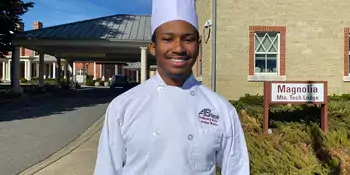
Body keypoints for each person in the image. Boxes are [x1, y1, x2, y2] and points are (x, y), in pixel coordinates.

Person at [93, 0, 250, 174]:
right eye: (168, 39)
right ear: (153, 47)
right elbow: (107, 170)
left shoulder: (221, 110)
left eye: (188, 39)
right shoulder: (122, 107)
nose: (178, 48)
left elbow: (237, 169)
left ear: (198, 46)